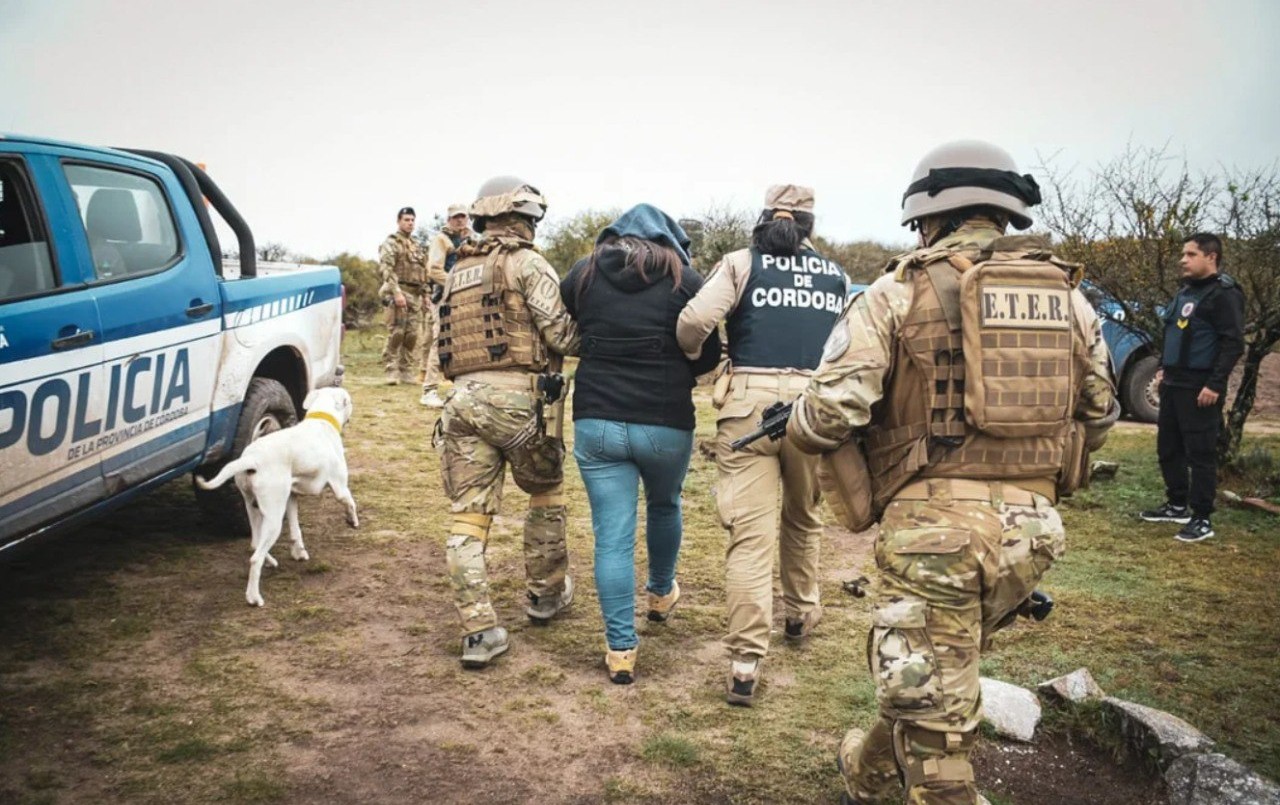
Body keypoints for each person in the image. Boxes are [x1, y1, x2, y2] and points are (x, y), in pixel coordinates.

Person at [784, 140, 1118, 805]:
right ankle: (873, 771)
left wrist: (798, 426)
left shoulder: (896, 290)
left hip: (935, 536)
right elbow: (1102, 411)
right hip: (1033, 531)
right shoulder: (1068, 300)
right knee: (936, 667)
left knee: (937, 704)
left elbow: (829, 413)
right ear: (1004, 214)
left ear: (925, 216)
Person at [677, 185, 848, 706]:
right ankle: (799, 614)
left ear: (762, 221)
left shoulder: (739, 263)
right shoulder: (836, 275)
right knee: (804, 517)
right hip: (812, 408)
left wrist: (697, 358)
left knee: (750, 537)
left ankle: (745, 662)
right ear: (809, 225)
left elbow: (692, 321)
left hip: (748, 406)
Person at [559, 204, 721, 685]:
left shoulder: (583, 274)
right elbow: (708, 352)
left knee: (612, 536)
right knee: (665, 504)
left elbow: (567, 324)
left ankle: (621, 651)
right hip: (665, 420)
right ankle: (659, 594)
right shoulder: (687, 281)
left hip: (596, 418)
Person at [434, 176, 579, 668]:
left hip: (462, 402)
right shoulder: (528, 263)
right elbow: (560, 335)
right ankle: (545, 594)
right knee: (546, 492)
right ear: (525, 219)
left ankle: (478, 629)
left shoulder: (457, 271)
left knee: (468, 519)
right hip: (519, 402)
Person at [1139, 233, 1244, 543]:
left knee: (1200, 453)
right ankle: (1176, 504)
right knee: (1168, 448)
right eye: (1183, 254)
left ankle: (1201, 517)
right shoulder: (1186, 292)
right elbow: (1176, 334)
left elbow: (1233, 343)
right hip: (1173, 382)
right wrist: (1162, 369)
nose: (1182, 259)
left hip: (1200, 386)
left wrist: (1214, 384)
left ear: (1210, 257)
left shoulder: (1223, 294)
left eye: (1190, 254)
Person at [420, 204, 474, 408]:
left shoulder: (467, 239)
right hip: (444, 296)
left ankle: (458, 385)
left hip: (462, 297)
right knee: (439, 339)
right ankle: (429, 389)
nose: (460, 220)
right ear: (449, 219)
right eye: (456, 217)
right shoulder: (442, 240)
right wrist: (456, 283)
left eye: (463, 217)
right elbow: (434, 270)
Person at [377, 206, 428, 385]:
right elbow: (387, 269)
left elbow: (423, 271)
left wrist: (426, 295)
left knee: (412, 335)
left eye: (412, 220)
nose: (410, 223)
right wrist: (397, 292)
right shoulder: (391, 242)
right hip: (397, 291)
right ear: (399, 221)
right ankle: (391, 369)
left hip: (415, 294)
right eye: (406, 220)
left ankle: (406, 370)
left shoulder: (416, 245)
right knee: (397, 332)